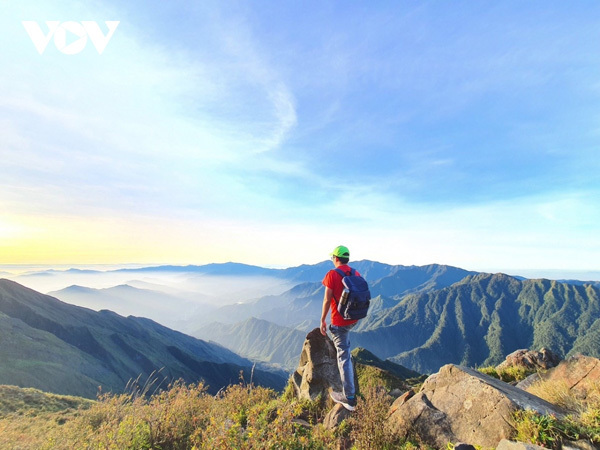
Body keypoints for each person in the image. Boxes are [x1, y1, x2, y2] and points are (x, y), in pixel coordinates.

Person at [320, 245, 360, 411]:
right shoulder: (355, 273)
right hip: (353, 319)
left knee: (343, 357)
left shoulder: (332, 274)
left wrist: (322, 320)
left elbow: (327, 300)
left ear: (336, 258)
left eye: (332, 257)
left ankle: (349, 398)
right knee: (346, 351)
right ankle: (349, 387)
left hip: (339, 322)